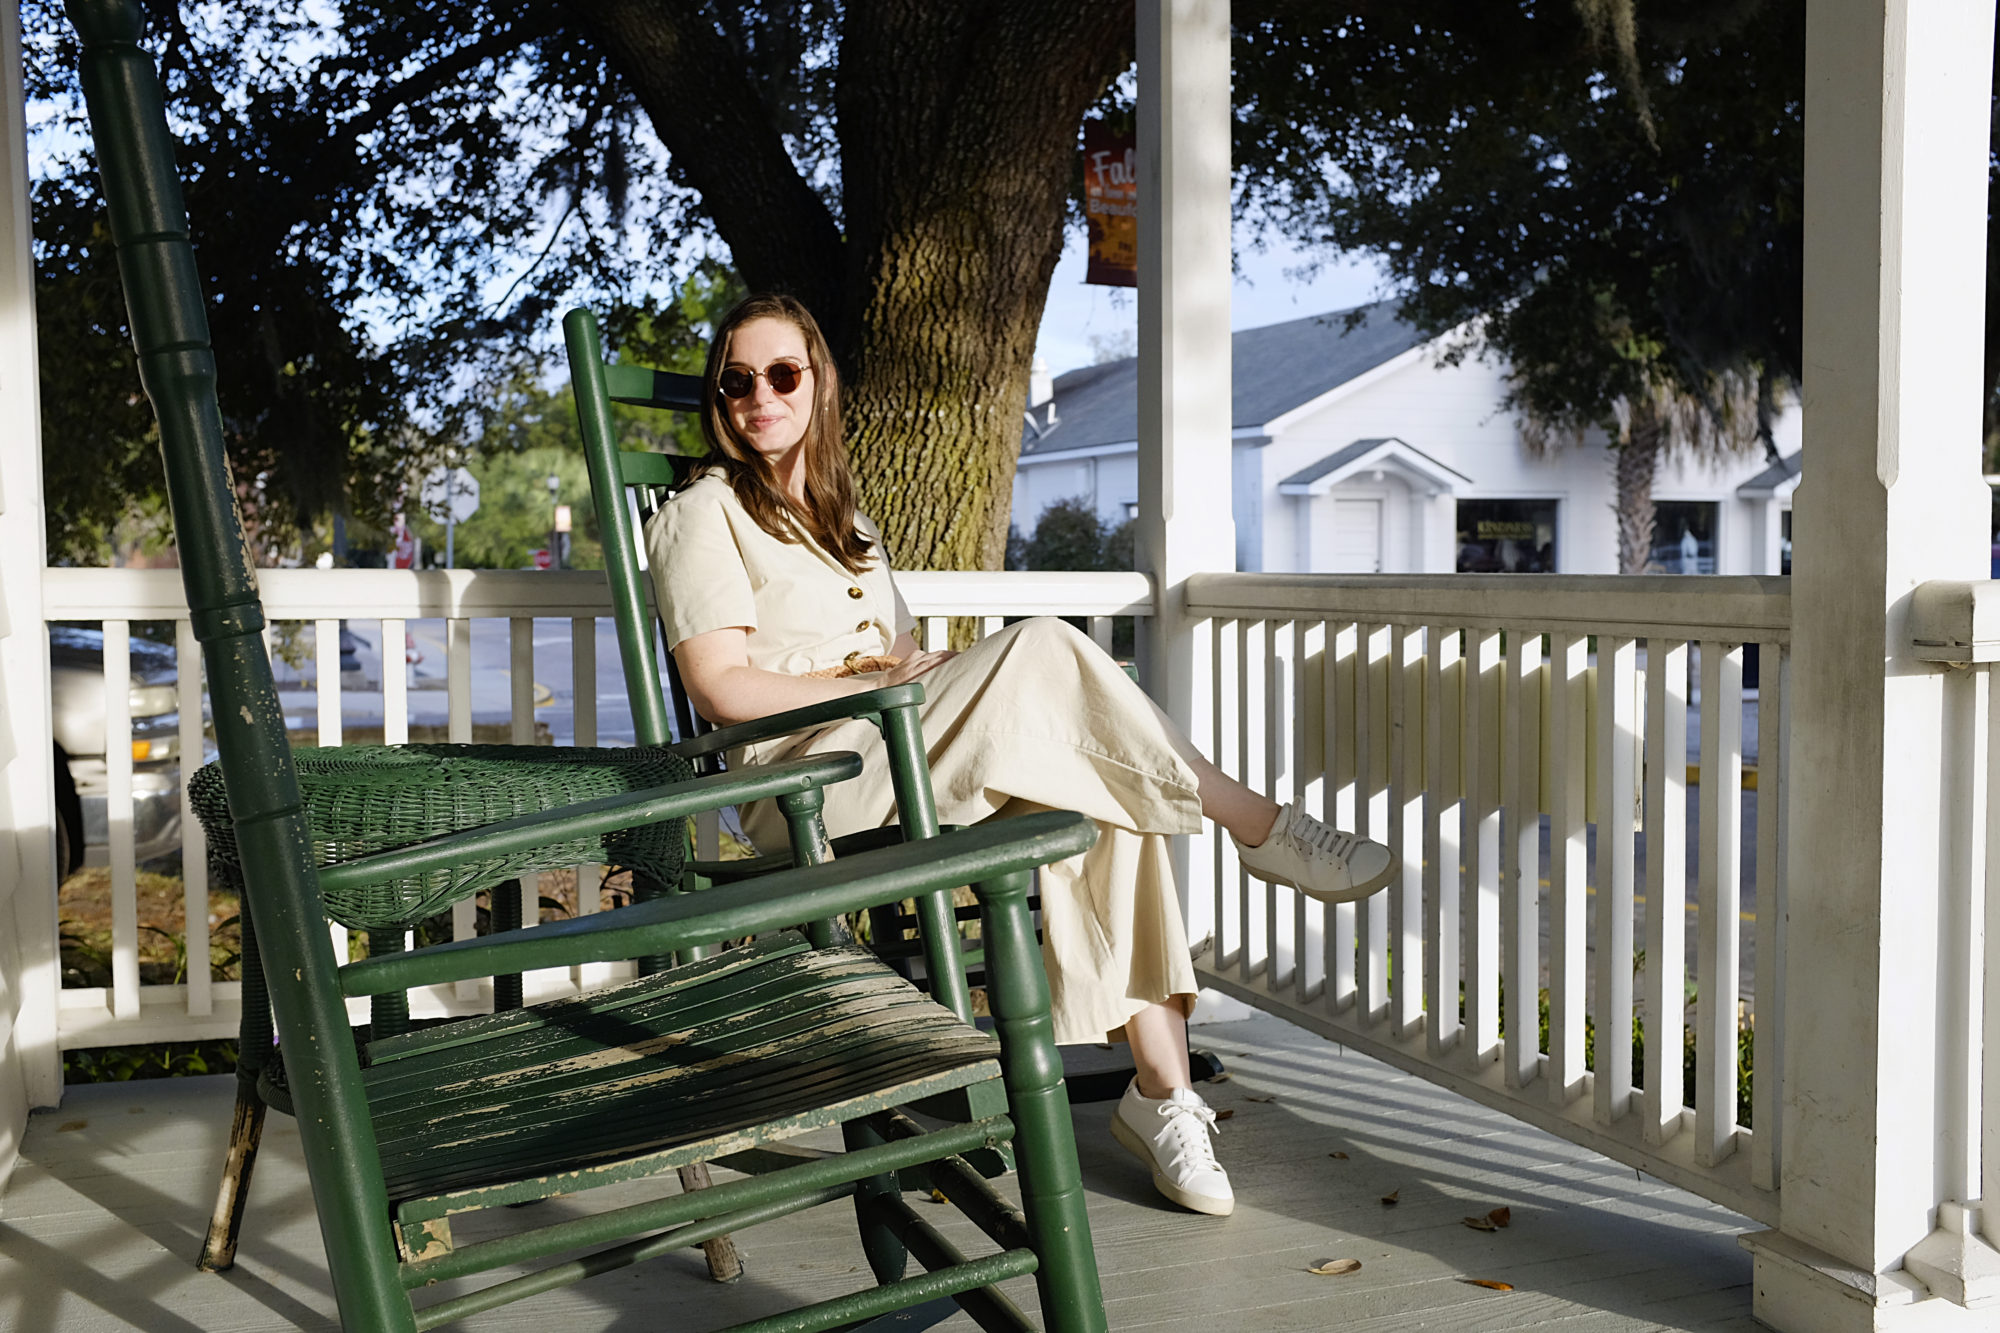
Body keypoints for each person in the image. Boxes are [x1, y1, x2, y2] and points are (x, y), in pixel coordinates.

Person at [646, 293, 1397, 1218]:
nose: (759, 395)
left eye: (782, 374)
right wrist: (882, 682)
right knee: (1046, 645)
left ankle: (1161, 1095)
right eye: (737, 380)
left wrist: (912, 674)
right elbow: (725, 688)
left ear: (818, 384)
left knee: (1096, 793)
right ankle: (1260, 825)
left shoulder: (852, 525)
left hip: (897, 745)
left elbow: (901, 658)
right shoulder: (701, 512)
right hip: (806, 780)